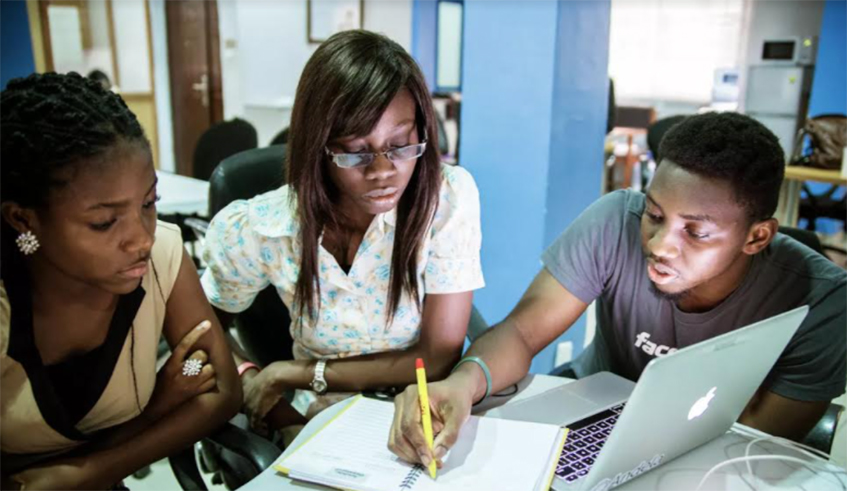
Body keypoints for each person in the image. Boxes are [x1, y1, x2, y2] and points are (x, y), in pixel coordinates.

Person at [389, 112, 846, 469]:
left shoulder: (822, 302)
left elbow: (756, 442)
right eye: (655, 213)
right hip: (587, 410)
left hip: (703, 453)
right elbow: (523, 333)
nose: (660, 244)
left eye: (696, 233)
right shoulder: (614, 221)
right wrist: (462, 384)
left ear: (757, 237)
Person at [201, 30, 484, 433]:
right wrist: (251, 380)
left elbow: (437, 356)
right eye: (356, 151)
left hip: (421, 412)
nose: (384, 170)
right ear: (319, 148)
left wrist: (296, 373)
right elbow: (199, 321)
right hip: (318, 423)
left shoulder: (446, 199)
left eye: (401, 145)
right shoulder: (268, 228)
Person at [0, 72, 241, 490]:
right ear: (23, 219)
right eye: (104, 222)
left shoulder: (163, 253)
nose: (142, 238)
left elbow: (220, 389)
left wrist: (94, 471)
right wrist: (156, 411)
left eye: (149, 203)